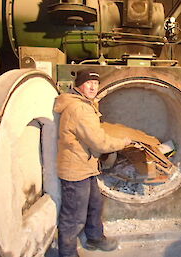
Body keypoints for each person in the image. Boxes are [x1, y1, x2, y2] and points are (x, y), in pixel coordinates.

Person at [54, 69, 131, 257]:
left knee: (95, 204)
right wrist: (123, 142)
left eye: (96, 84)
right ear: (79, 85)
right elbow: (99, 142)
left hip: (86, 166)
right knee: (74, 216)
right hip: (75, 169)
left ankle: (95, 237)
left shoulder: (86, 104)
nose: (93, 87)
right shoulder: (79, 108)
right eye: (88, 83)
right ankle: (67, 253)